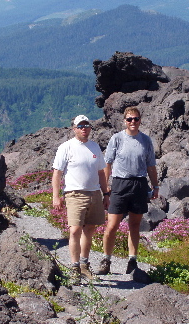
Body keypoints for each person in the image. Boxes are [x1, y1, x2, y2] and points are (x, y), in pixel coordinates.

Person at [96, 106, 159, 275]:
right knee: (112, 225)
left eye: (136, 119)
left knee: (135, 225)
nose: (133, 122)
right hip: (120, 184)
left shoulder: (146, 141)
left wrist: (155, 186)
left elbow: (151, 165)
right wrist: (105, 187)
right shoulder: (117, 139)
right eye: (130, 119)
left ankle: (132, 260)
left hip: (139, 184)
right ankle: (106, 259)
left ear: (140, 121)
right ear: (124, 121)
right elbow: (107, 164)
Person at [52, 115, 109, 285]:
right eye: (80, 126)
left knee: (89, 229)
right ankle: (75, 268)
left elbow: (101, 172)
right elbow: (57, 173)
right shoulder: (66, 147)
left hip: (94, 193)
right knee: (75, 230)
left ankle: (84, 265)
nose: (84, 128)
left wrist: (106, 194)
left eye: (87, 125)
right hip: (74, 193)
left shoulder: (95, 147)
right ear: (74, 129)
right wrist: (56, 196)